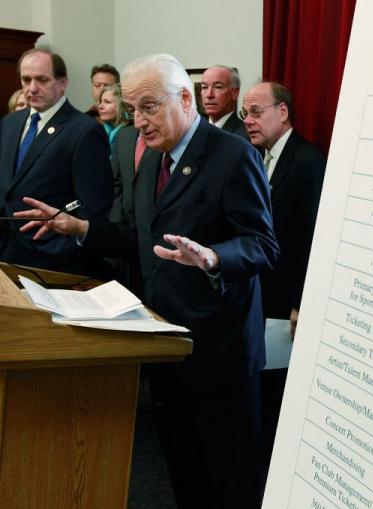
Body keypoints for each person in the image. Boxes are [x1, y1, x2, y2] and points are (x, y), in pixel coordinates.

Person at [16, 53, 278, 509]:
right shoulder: (152, 161)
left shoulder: (233, 156)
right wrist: (78, 228)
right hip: (163, 342)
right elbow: (139, 237)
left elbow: (262, 244)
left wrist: (214, 256)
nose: (138, 121)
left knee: (228, 479)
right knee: (183, 470)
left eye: (149, 107)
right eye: (133, 110)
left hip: (218, 352)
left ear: (183, 98)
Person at [241, 80, 325, 469]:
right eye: (245, 114)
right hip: (257, 296)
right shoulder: (256, 158)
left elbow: (312, 237)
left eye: (256, 112)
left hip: (285, 301)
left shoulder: (308, 162)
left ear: (283, 112)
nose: (249, 121)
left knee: (278, 394)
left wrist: (300, 300)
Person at [0, 49, 113, 276]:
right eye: (26, 79)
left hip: (54, 263)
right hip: (6, 255)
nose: (32, 88)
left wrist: (64, 249)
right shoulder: (9, 123)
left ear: (62, 83)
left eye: (42, 80)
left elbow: (94, 208)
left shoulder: (84, 130)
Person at [200, 65, 247, 138]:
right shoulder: (194, 131)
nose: (209, 95)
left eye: (218, 87)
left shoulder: (246, 136)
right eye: (204, 87)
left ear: (235, 93)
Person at [97, 83, 129, 149]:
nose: (100, 106)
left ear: (123, 105)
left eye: (107, 102)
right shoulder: (99, 132)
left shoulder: (132, 134)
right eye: (101, 102)